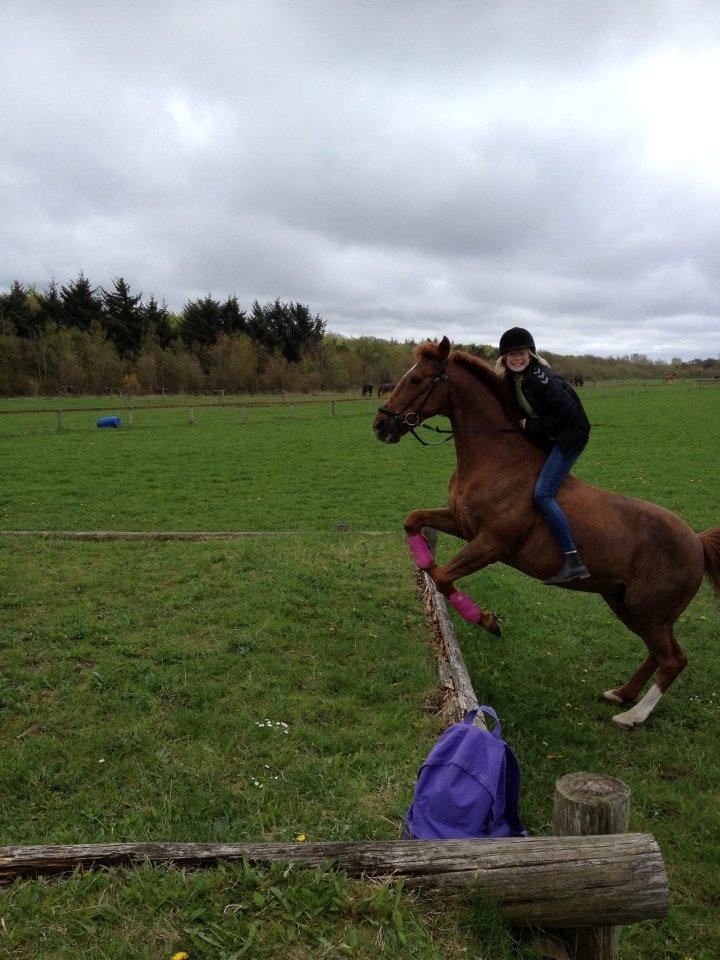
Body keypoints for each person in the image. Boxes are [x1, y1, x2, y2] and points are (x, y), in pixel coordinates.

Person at [496, 327, 591, 584]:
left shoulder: (541, 378)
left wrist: (532, 426)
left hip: (570, 436)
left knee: (542, 493)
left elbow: (568, 415)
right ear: (504, 358)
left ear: (530, 354)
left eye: (521, 353)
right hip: (548, 435)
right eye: (510, 354)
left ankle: (573, 559)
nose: (516, 358)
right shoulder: (511, 378)